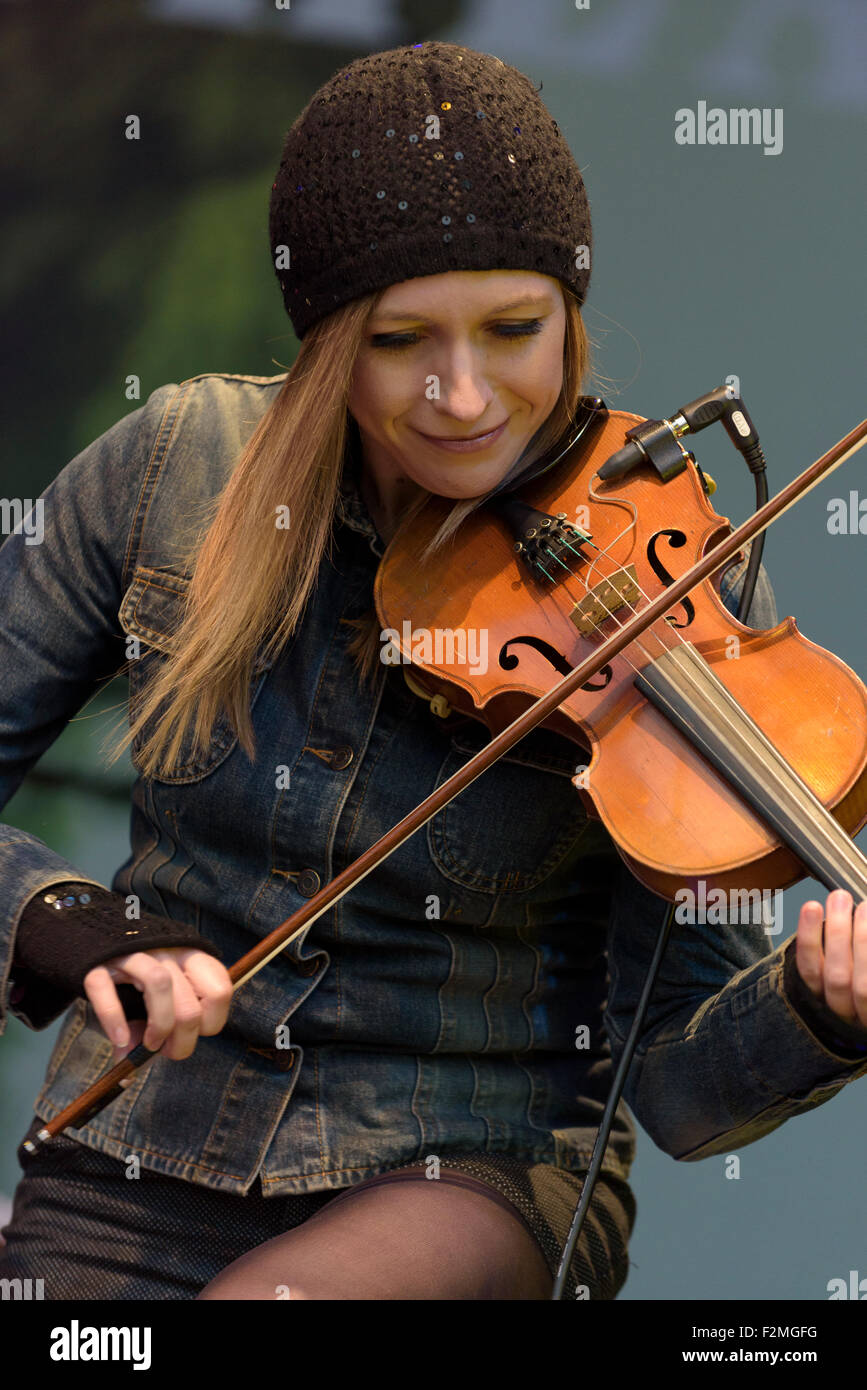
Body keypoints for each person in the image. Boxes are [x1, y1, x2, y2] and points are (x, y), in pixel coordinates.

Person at [0, 40, 866, 1303]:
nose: (463, 397)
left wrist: (820, 1006)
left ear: (570, 312)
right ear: (325, 341)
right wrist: (72, 921)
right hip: (144, 1147)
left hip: (470, 1175)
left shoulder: (680, 581)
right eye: (403, 341)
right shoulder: (174, 468)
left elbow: (676, 1082)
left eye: (514, 330)